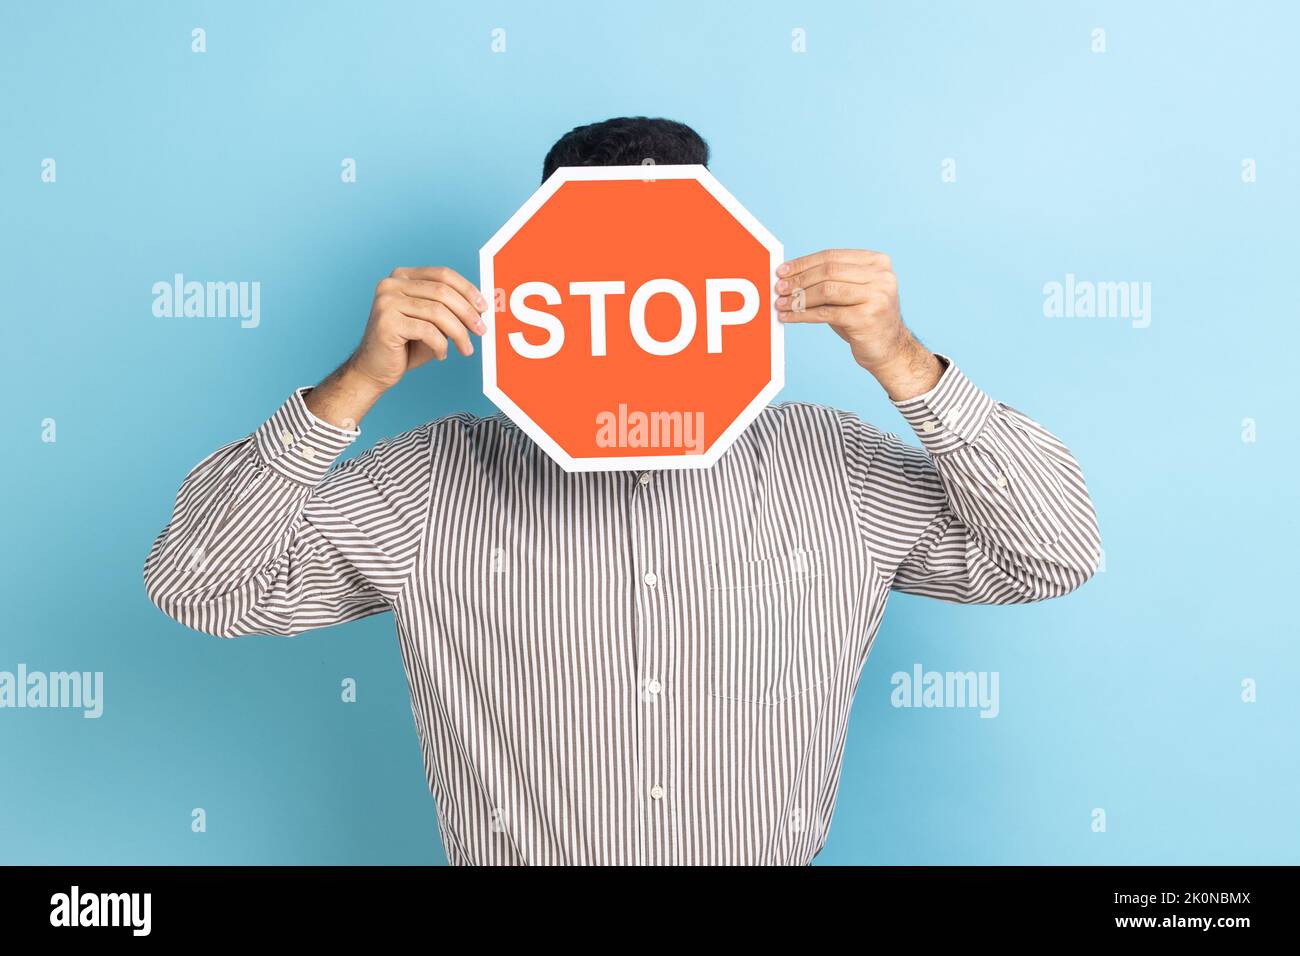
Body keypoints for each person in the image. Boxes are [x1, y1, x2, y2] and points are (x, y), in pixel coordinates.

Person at [144, 116, 1101, 865]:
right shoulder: (435, 481)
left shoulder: (829, 464)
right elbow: (206, 589)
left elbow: (1051, 552)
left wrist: (904, 362)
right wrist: (350, 387)